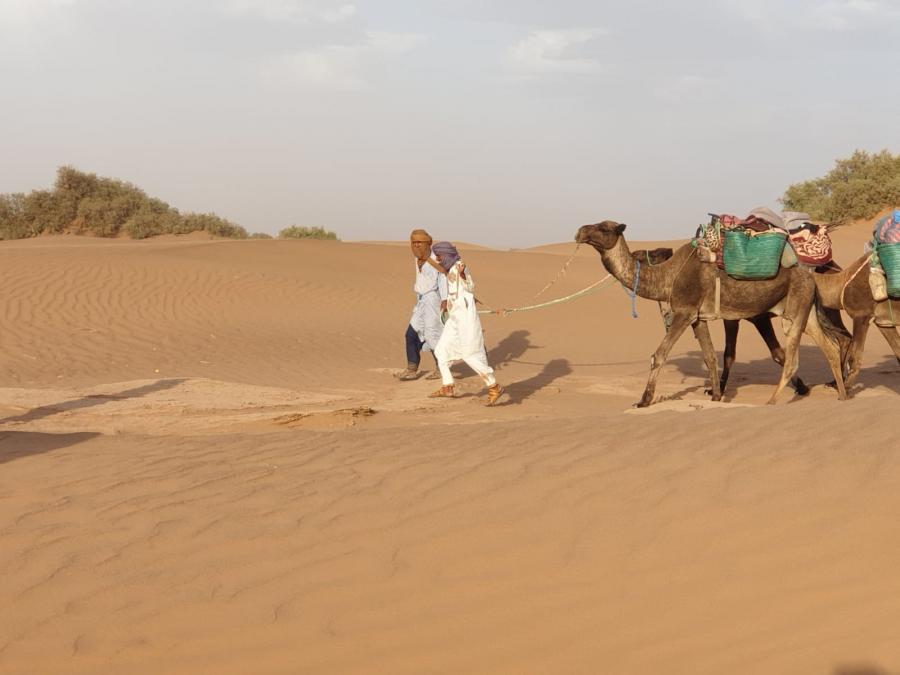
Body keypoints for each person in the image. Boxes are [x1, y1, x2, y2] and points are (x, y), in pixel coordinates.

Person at [429, 241, 505, 406]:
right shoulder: (449, 270)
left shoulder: (460, 265)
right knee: (441, 351)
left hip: (465, 319)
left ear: (447, 254)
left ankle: (494, 386)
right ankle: (447, 386)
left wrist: (463, 275)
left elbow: (470, 286)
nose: (439, 259)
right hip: (454, 318)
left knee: (470, 354)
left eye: (440, 256)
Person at [396, 229, 447, 381]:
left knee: (432, 336)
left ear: (428, 243)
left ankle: (441, 368)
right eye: (413, 242)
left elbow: (443, 278)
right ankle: (411, 369)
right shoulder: (417, 259)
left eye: (420, 242)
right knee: (411, 334)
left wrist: (445, 299)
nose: (416, 245)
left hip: (433, 301)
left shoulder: (436, 259)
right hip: (421, 302)